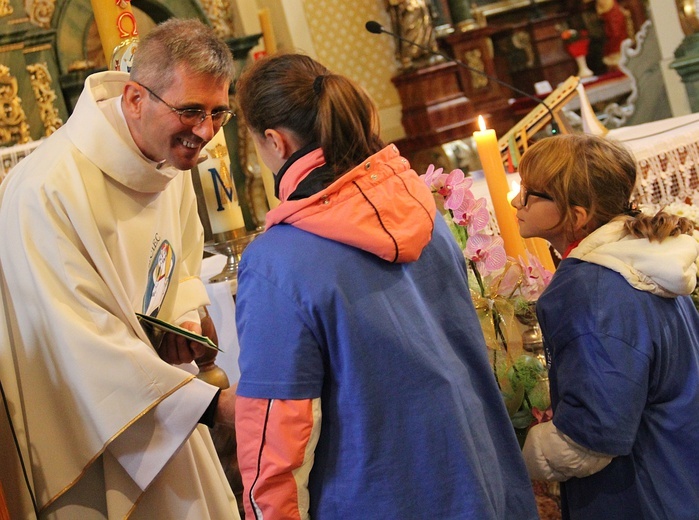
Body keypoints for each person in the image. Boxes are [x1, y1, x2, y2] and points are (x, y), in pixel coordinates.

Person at [232, 52, 539, 520]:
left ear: (274, 141)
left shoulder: (277, 262)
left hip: (379, 497)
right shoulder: (424, 211)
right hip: (480, 483)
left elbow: (278, 433)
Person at [0, 18, 241, 519]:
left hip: (165, 406)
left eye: (220, 113)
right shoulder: (46, 189)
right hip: (90, 434)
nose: (206, 132)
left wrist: (186, 322)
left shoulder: (166, 161)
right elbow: (75, 338)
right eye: (192, 111)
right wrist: (209, 406)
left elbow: (179, 268)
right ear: (135, 98)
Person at [514, 134, 699, 519]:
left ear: (577, 215)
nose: (517, 202)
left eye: (531, 193)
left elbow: (594, 433)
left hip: (639, 494)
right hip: (680, 472)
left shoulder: (591, 288)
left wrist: (524, 452)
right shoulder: (646, 260)